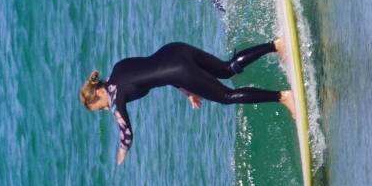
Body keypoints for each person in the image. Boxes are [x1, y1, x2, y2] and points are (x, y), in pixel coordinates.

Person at [79, 39, 293, 164]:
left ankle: (283, 96)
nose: (106, 108)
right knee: (227, 69)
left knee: (226, 97)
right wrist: (186, 90)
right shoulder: (118, 67)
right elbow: (152, 71)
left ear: (99, 92)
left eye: (101, 106)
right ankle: (275, 45)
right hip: (175, 50)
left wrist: (122, 152)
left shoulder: (115, 97)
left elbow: (126, 134)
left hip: (178, 71)